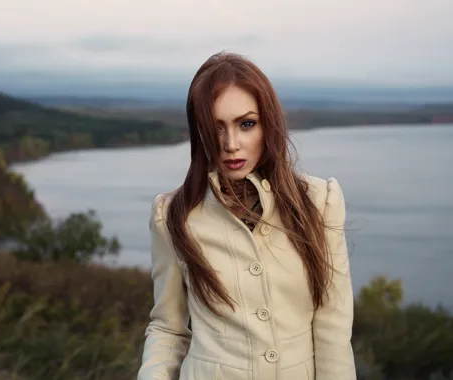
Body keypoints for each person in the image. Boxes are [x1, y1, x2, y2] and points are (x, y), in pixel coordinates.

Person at [137, 51, 356, 380]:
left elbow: (333, 329)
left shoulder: (319, 202)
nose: (231, 144)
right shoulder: (173, 217)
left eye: (246, 124)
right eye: (215, 128)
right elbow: (168, 329)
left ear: (269, 123)